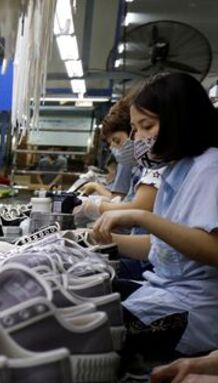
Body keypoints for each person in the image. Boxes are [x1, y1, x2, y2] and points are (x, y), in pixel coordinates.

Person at [91, 72, 218, 359]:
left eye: (146, 126)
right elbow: (163, 246)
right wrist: (97, 241)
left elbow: (213, 248)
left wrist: (142, 218)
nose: (137, 139)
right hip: (165, 291)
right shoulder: (177, 169)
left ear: (180, 120)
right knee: (75, 295)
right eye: (134, 129)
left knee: (85, 330)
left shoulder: (210, 168)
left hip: (194, 313)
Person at [74, 94, 159, 225]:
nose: (139, 136)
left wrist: (94, 206)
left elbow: (138, 208)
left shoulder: (156, 167)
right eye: (136, 129)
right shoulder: (141, 167)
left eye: (147, 126)